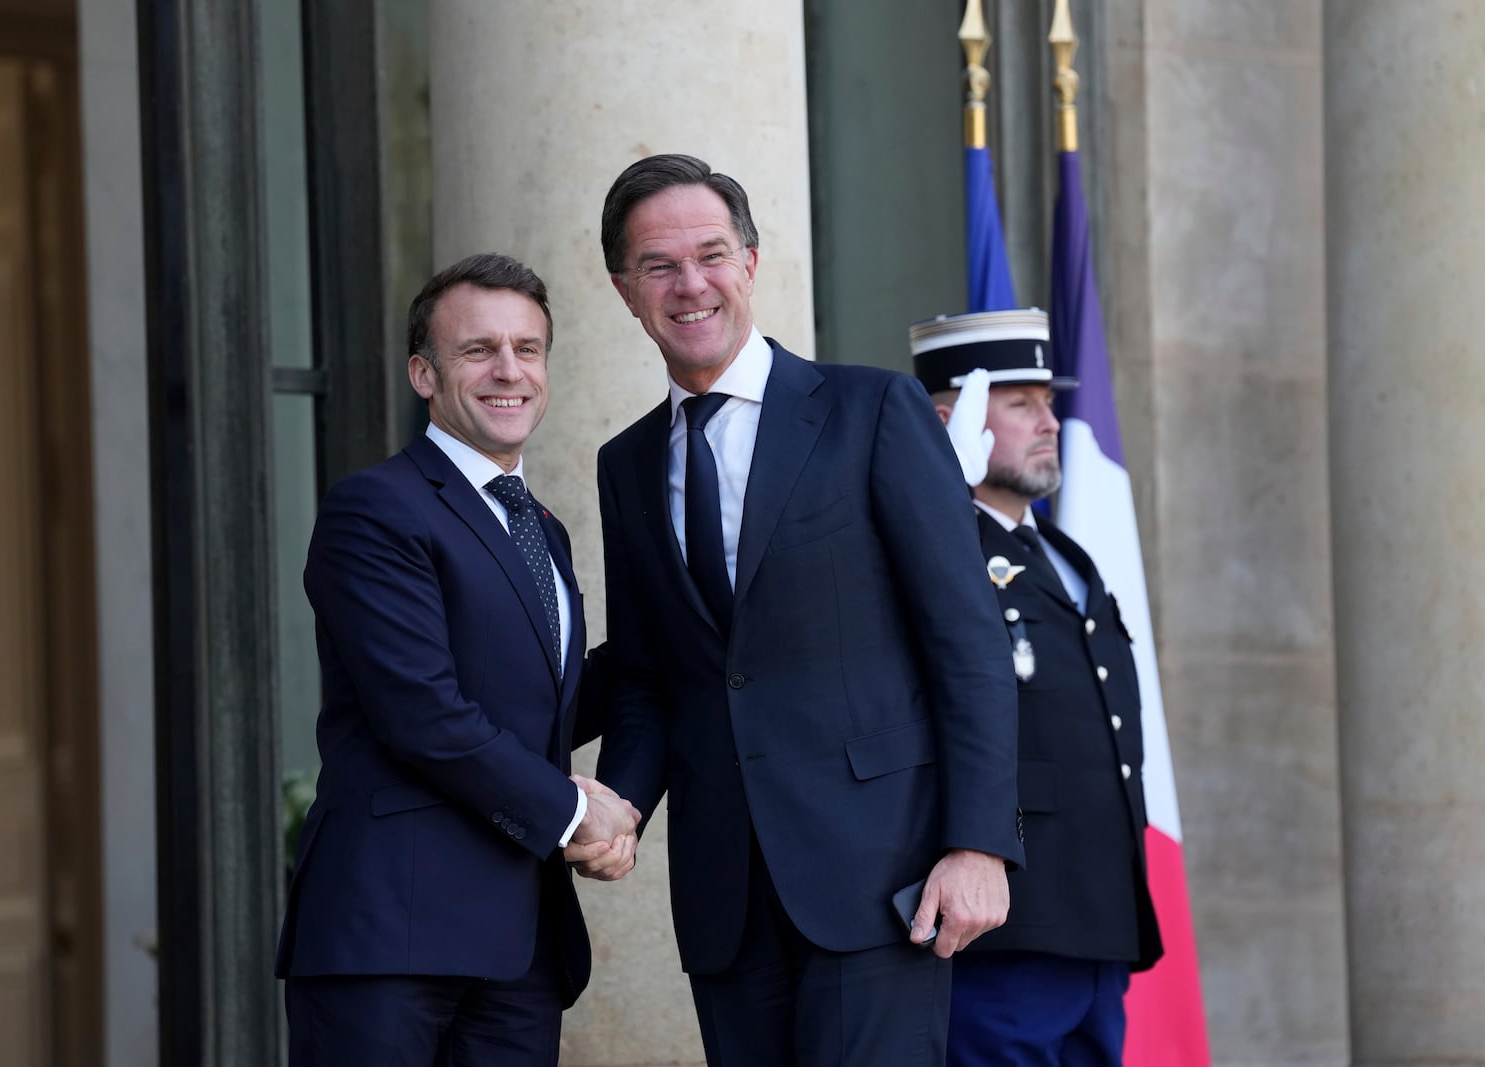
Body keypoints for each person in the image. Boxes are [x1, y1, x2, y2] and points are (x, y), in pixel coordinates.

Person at [590, 153, 1024, 1066]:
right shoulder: (624, 465)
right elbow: (646, 677)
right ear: (625, 290)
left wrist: (979, 843)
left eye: (711, 253)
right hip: (726, 897)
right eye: (659, 265)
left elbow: (967, 640)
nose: (690, 283)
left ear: (750, 262)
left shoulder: (873, 410)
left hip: (880, 880)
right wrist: (622, 799)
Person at [276, 253, 640, 1067]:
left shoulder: (541, 528)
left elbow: (539, 711)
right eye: (479, 350)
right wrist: (576, 813)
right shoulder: (375, 509)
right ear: (424, 374)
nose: (508, 370)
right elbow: (424, 714)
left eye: (528, 348)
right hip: (392, 938)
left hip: (519, 946)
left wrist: (685, 637)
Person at [911, 308, 1163, 1067]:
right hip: (1008, 923)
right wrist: (933, 494)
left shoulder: (1061, 553)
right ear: (953, 419)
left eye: (1048, 400)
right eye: (1020, 403)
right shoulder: (936, 542)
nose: (1050, 421)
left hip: (1095, 918)